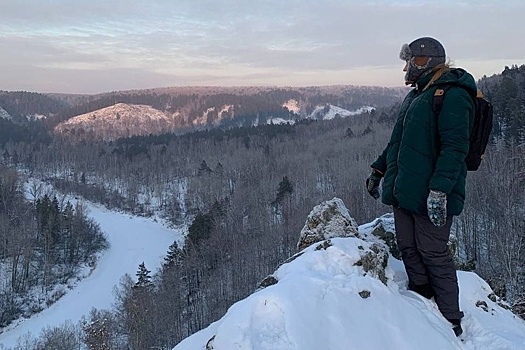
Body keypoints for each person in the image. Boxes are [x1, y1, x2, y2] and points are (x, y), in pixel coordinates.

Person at [366, 37, 477, 337]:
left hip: (430, 193)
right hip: (404, 190)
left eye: (411, 61)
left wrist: (439, 191)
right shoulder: (416, 95)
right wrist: (379, 170)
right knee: (408, 246)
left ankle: (451, 318)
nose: (406, 67)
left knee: (432, 251)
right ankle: (421, 296)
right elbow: (397, 142)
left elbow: (455, 149)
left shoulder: (452, 95)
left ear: (427, 61)